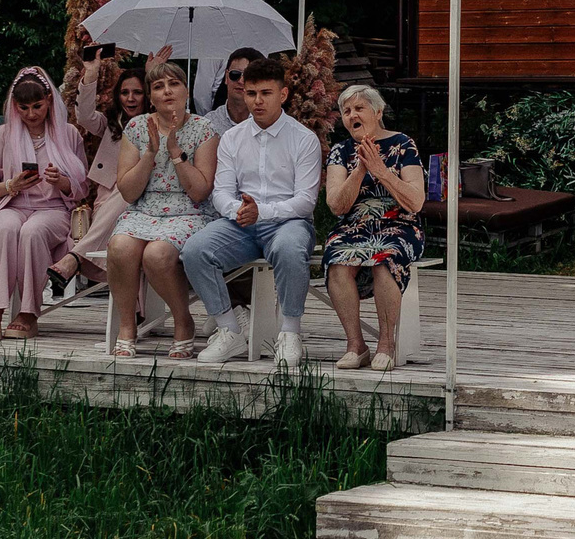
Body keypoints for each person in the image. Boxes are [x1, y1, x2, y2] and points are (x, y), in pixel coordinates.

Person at [183, 55, 323, 365]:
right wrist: (238, 212)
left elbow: (305, 201)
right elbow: (220, 192)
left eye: (265, 93)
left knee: (289, 248)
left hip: (288, 222)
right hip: (241, 224)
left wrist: (264, 212)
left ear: (282, 94)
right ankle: (229, 330)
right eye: (251, 93)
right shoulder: (232, 138)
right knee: (194, 250)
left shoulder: (304, 139)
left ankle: (289, 333)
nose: (257, 101)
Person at [106, 61, 219, 358]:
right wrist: (151, 154)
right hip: (144, 208)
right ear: (151, 96)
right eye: (158, 86)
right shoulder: (136, 127)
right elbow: (128, 191)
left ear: (185, 91)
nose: (167, 91)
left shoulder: (204, 129)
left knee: (157, 254)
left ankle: (183, 321)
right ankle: (127, 326)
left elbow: (201, 190)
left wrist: (176, 155)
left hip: (189, 210)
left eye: (174, 84)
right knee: (119, 246)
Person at [0, 69, 88, 339]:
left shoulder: (69, 134)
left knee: (32, 232)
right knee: (4, 227)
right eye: (24, 108)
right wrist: (10, 186)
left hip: (53, 209)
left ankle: (28, 312)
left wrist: (61, 182)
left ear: (49, 100)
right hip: (12, 205)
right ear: (15, 106)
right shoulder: (2, 134)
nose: (32, 114)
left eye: (37, 106)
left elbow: (83, 190)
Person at [321, 84, 428, 370]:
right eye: (346, 111)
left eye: (359, 108)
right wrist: (360, 170)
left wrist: (381, 170)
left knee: (385, 257)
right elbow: (336, 205)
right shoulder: (341, 151)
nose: (351, 115)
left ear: (377, 112)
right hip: (353, 225)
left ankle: (386, 344)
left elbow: (416, 201)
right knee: (337, 260)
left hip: (399, 224)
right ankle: (356, 345)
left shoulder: (403, 144)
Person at [52, 64, 150, 296]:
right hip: (108, 204)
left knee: (126, 191)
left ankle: (76, 256)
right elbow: (84, 115)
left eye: (137, 92)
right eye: (125, 92)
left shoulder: (155, 122)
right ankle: (135, 309)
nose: (130, 98)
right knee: (120, 196)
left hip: (145, 202)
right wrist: (92, 73)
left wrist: (155, 73)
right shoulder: (111, 123)